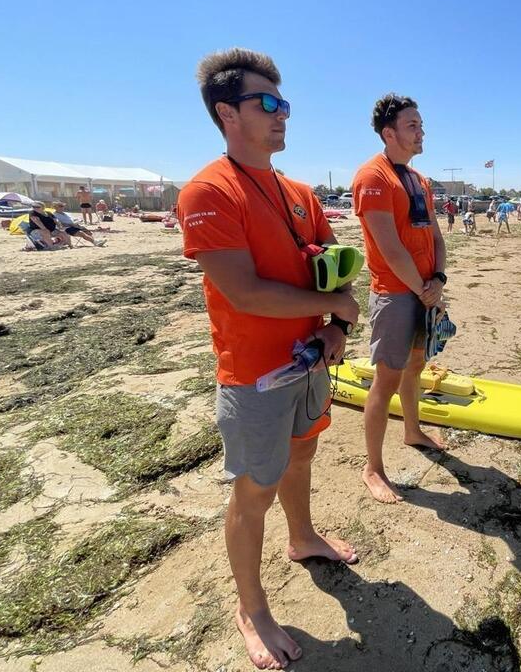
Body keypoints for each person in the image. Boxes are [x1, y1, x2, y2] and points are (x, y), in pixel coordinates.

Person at [178, 48, 360, 670]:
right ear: (227, 112)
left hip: (311, 360)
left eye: (286, 104)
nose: (284, 115)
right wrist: (332, 302)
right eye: (269, 104)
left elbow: (337, 265)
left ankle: (303, 537)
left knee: (304, 452)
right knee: (254, 487)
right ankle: (251, 607)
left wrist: (336, 322)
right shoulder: (209, 190)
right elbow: (245, 291)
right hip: (254, 373)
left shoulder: (300, 192)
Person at [352, 93, 448, 505]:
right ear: (389, 133)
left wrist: (438, 281)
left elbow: (436, 237)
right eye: (413, 125)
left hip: (425, 289)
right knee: (386, 379)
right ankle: (373, 467)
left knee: (416, 365)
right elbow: (389, 248)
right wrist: (423, 291)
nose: (421, 131)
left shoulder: (419, 179)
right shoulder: (372, 177)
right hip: (395, 294)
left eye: (421, 124)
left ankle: (412, 430)